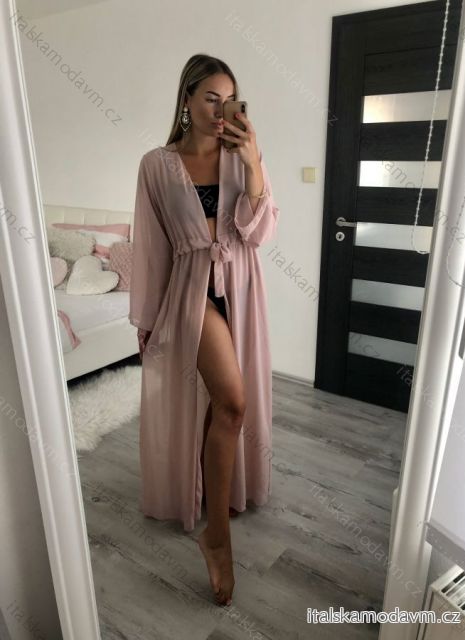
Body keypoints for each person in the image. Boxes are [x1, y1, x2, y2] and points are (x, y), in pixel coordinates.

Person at [129, 54, 280, 608]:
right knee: (234, 403)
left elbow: (259, 232)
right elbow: (151, 245)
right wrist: (147, 319)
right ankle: (217, 537)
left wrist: (253, 163)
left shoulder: (244, 154)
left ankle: (216, 491)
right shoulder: (156, 165)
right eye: (210, 99)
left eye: (229, 100)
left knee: (222, 406)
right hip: (192, 292)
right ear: (187, 99)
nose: (221, 111)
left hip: (242, 287)